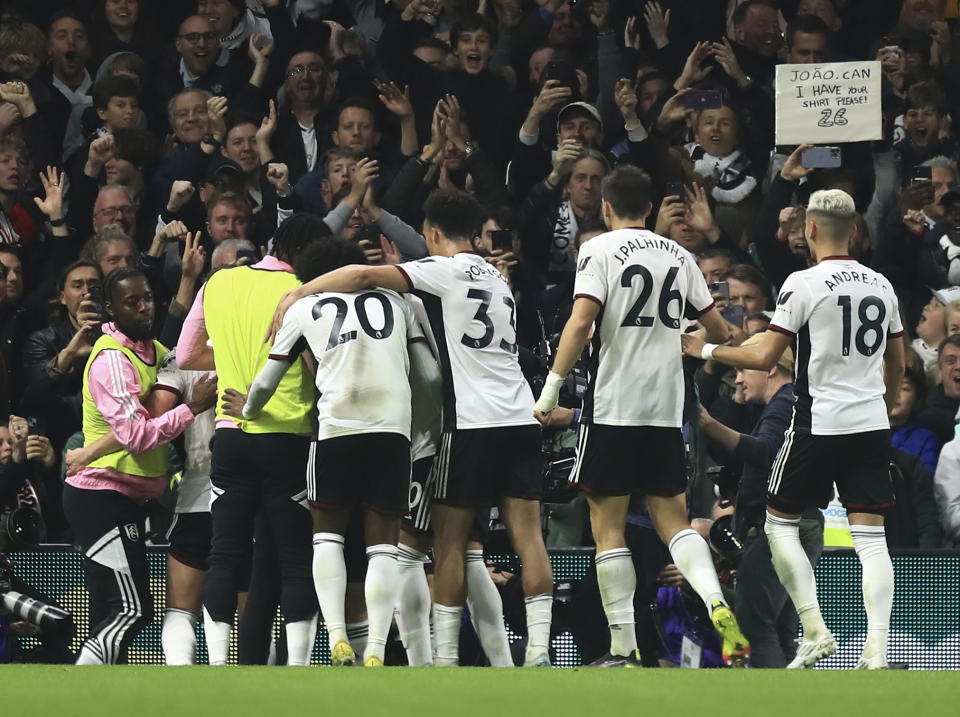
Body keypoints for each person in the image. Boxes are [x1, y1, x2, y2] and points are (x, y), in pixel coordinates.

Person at [270, 189, 555, 668]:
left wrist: (301, 290)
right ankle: (539, 653)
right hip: (519, 416)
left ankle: (438, 660)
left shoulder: (439, 271)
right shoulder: (498, 276)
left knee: (444, 547)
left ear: (435, 234)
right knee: (524, 540)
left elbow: (362, 275)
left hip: (462, 425)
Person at [532, 164, 750, 667]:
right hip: (666, 408)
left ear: (606, 208)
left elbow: (581, 319)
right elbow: (719, 330)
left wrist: (549, 391)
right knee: (673, 522)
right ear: (650, 209)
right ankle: (717, 602)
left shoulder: (598, 249)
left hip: (613, 407)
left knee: (607, 527)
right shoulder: (679, 254)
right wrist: (705, 344)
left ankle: (623, 647)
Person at [682, 189, 906, 669]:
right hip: (869, 424)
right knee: (872, 540)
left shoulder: (803, 284)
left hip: (818, 421)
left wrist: (703, 351)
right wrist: (880, 407)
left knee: (779, 523)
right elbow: (898, 362)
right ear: (853, 229)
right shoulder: (881, 285)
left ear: (810, 230)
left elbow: (763, 356)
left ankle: (814, 627)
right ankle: (878, 650)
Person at [224, 237, 439, 667]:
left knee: (327, 538)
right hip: (390, 433)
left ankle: (338, 637)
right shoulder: (399, 304)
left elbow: (266, 381)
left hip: (335, 431)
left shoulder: (302, 308)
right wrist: (420, 432)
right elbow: (431, 376)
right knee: (383, 548)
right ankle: (377, 647)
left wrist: (247, 411)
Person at [176, 214, 323, 667]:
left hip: (230, 437)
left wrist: (235, 358)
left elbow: (186, 355)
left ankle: (218, 664)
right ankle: (299, 669)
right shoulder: (303, 290)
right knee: (298, 557)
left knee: (224, 554)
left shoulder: (219, 283)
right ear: (304, 253)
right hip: (288, 438)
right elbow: (321, 365)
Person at [63, 267, 216, 664]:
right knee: (131, 610)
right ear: (111, 309)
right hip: (99, 495)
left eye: (147, 298)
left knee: (113, 611)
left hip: (126, 497)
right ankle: (75, 687)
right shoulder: (112, 360)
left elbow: (146, 414)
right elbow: (137, 436)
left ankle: (97, 699)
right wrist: (192, 408)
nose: (145, 307)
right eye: (132, 302)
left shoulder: (155, 350)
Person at [699, 334, 824, 668]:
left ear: (769, 368)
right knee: (781, 631)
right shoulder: (792, 404)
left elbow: (766, 451)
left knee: (755, 628)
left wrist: (708, 423)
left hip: (779, 530)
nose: (738, 378)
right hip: (803, 525)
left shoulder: (784, 404)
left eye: (743, 369)